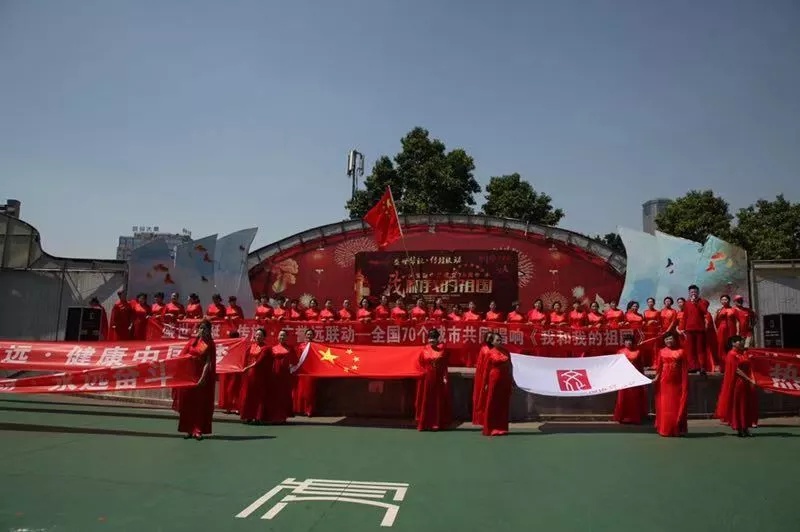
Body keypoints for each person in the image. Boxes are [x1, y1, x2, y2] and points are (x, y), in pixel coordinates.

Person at [177, 319, 216, 440]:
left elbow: (208, 362)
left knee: (199, 404)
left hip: (201, 376)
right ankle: (188, 429)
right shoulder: (192, 342)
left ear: (209, 331)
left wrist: (202, 377)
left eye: (205, 328)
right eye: (201, 328)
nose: (202, 330)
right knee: (188, 403)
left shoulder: (210, 344)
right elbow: (182, 356)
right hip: (189, 375)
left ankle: (197, 429)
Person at [715, 336, 759, 436]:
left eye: (742, 341)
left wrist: (751, 379)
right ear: (733, 343)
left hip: (745, 383)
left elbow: (749, 367)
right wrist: (749, 379)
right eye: (739, 341)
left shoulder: (742, 354)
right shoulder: (731, 354)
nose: (741, 343)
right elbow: (737, 370)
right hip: (738, 383)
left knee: (746, 405)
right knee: (739, 405)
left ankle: (745, 427)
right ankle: (740, 428)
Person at [653, 332, 689, 437]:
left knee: (675, 406)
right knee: (665, 406)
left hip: (677, 382)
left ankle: (676, 428)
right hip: (664, 382)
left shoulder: (681, 351)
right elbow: (659, 367)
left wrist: (684, 383)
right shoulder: (661, 351)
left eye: (670, 339)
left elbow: (684, 369)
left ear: (675, 339)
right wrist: (656, 378)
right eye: (666, 339)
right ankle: (665, 429)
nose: (668, 341)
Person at [415, 330, 452, 431]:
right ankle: (424, 423)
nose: (432, 340)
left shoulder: (443, 350)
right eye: (430, 338)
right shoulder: (424, 350)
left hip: (438, 378)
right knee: (426, 399)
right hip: (426, 378)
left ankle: (437, 423)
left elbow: (444, 365)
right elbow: (420, 364)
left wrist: (444, 377)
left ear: (438, 339)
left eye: (434, 338)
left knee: (437, 399)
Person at [613, 336, 648, 424]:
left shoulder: (638, 352)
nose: (628, 342)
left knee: (634, 398)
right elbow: (616, 365)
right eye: (627, 341)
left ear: (633, 342)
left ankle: (634, 417)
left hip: (634, 378)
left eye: (630, 341)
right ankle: (622, 417)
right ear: (624, 342)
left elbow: (640, 366)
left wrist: (642, 377)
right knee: (623, 397)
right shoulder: (620, 352)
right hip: (623, 377)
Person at [482, 333, 513, 436]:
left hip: (505, 379)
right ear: (492, 342)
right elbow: (486, 369)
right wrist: (485, 383)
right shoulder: (490, 353)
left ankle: (502, 427)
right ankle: (491, 428)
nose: (500, 342)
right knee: (492, 403)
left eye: (500, 340)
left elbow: (510, 366)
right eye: (497, 340)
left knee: (503, 403)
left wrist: (511, 379)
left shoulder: (506, 352)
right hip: (494, 379)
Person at [239, 327, 271, 424]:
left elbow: (259, 361)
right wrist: (243, 368)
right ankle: (248, 416)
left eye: (260, 335)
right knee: (248, 395)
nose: (258, 337)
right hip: (248, 375)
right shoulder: (251, 346)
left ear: (264, 337)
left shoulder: (266, 348)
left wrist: (247, 368)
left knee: (258, 395)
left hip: (259, 374)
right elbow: (245, 358)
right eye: (257, 335)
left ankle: (258, 417)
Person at [263, 330, 295, 424]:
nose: (282, 337)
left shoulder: (290, 349)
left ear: (287, 337)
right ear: (277, 337)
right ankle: (273, 416)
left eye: (284, 335)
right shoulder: (273, 348)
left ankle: (282, 416)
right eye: (280, 335)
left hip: (285, 375)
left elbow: (295, 361)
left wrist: (291, 366)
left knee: (283, 395)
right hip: (274, 374)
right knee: (274, 395)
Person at [678, 285, 711, 374]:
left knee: (700, 349)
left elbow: (704, 311)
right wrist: (682, 328)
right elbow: (685, 317)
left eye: (695, 292)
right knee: (690, 349)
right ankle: (692, 367)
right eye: (692, 292)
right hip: (689, 329)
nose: (693, 294)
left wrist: (696, 302)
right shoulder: (686, 303)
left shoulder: (703, 302)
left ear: (698, 292)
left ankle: (702, 366)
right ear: (689, 293)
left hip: (700, 329)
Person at [471, 332, 495, 425]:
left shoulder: (496, 349)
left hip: (493, 375)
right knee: (482, 397)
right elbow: (480, 366)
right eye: (488, 338)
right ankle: (481, 418)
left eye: (491, 338)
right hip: (484, 376)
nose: (489, 340)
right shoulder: (483, 349)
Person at [293, 329, 316, 417]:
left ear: (313, 336)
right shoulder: (301, 346)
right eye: (308, 334)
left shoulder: (316, 346)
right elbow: (298, 358)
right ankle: (300, 409)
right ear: (305, 335)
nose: (309, 336)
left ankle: (309, 410)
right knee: (301, 391)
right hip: (302, 371)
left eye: (311, 334)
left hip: (311, 371)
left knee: (310, 391)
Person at [715, 295, 739, 369]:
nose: (724, 301)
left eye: (725, 299)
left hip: (731, 330)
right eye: (722, 300)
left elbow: (737, 321)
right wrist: (718, 329)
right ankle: (723, 366)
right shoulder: (719, 310)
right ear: (720, 301)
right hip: (722, 330)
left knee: (731, 347)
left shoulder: (733, 309)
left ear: (729, 300)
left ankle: (732, 365)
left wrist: (738, 331)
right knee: (721, 347)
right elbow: (715, 321)